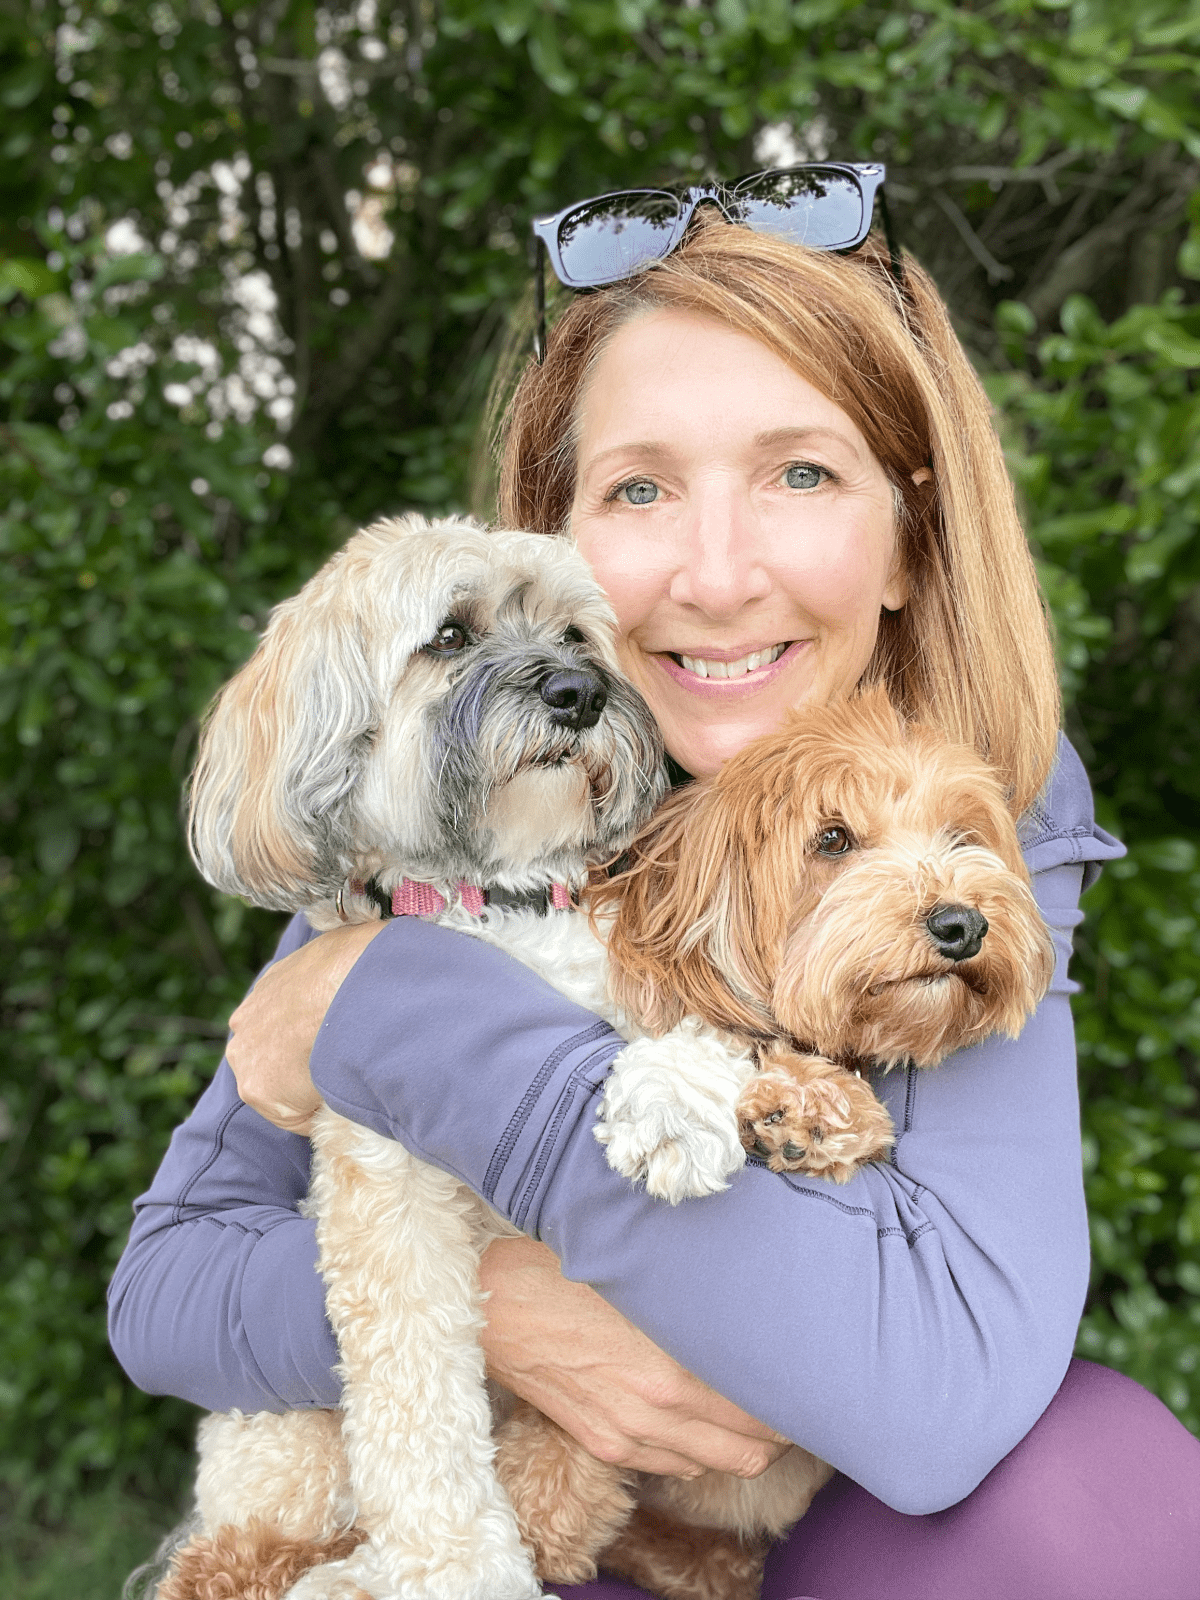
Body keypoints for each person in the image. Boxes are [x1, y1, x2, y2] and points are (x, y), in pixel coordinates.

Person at [108, 176, 1200, 1599]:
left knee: (1090, 1483)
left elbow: (945, 1387)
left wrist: (409, 1018)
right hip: (518, 1528)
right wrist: (496, 1306)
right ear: (549, 532)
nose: (717, 573)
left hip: (808, 1517)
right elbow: (166, 1294)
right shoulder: (464, 811)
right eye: (638, 489)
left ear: (910, 537)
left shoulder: (981, 784)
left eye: (801, 473)